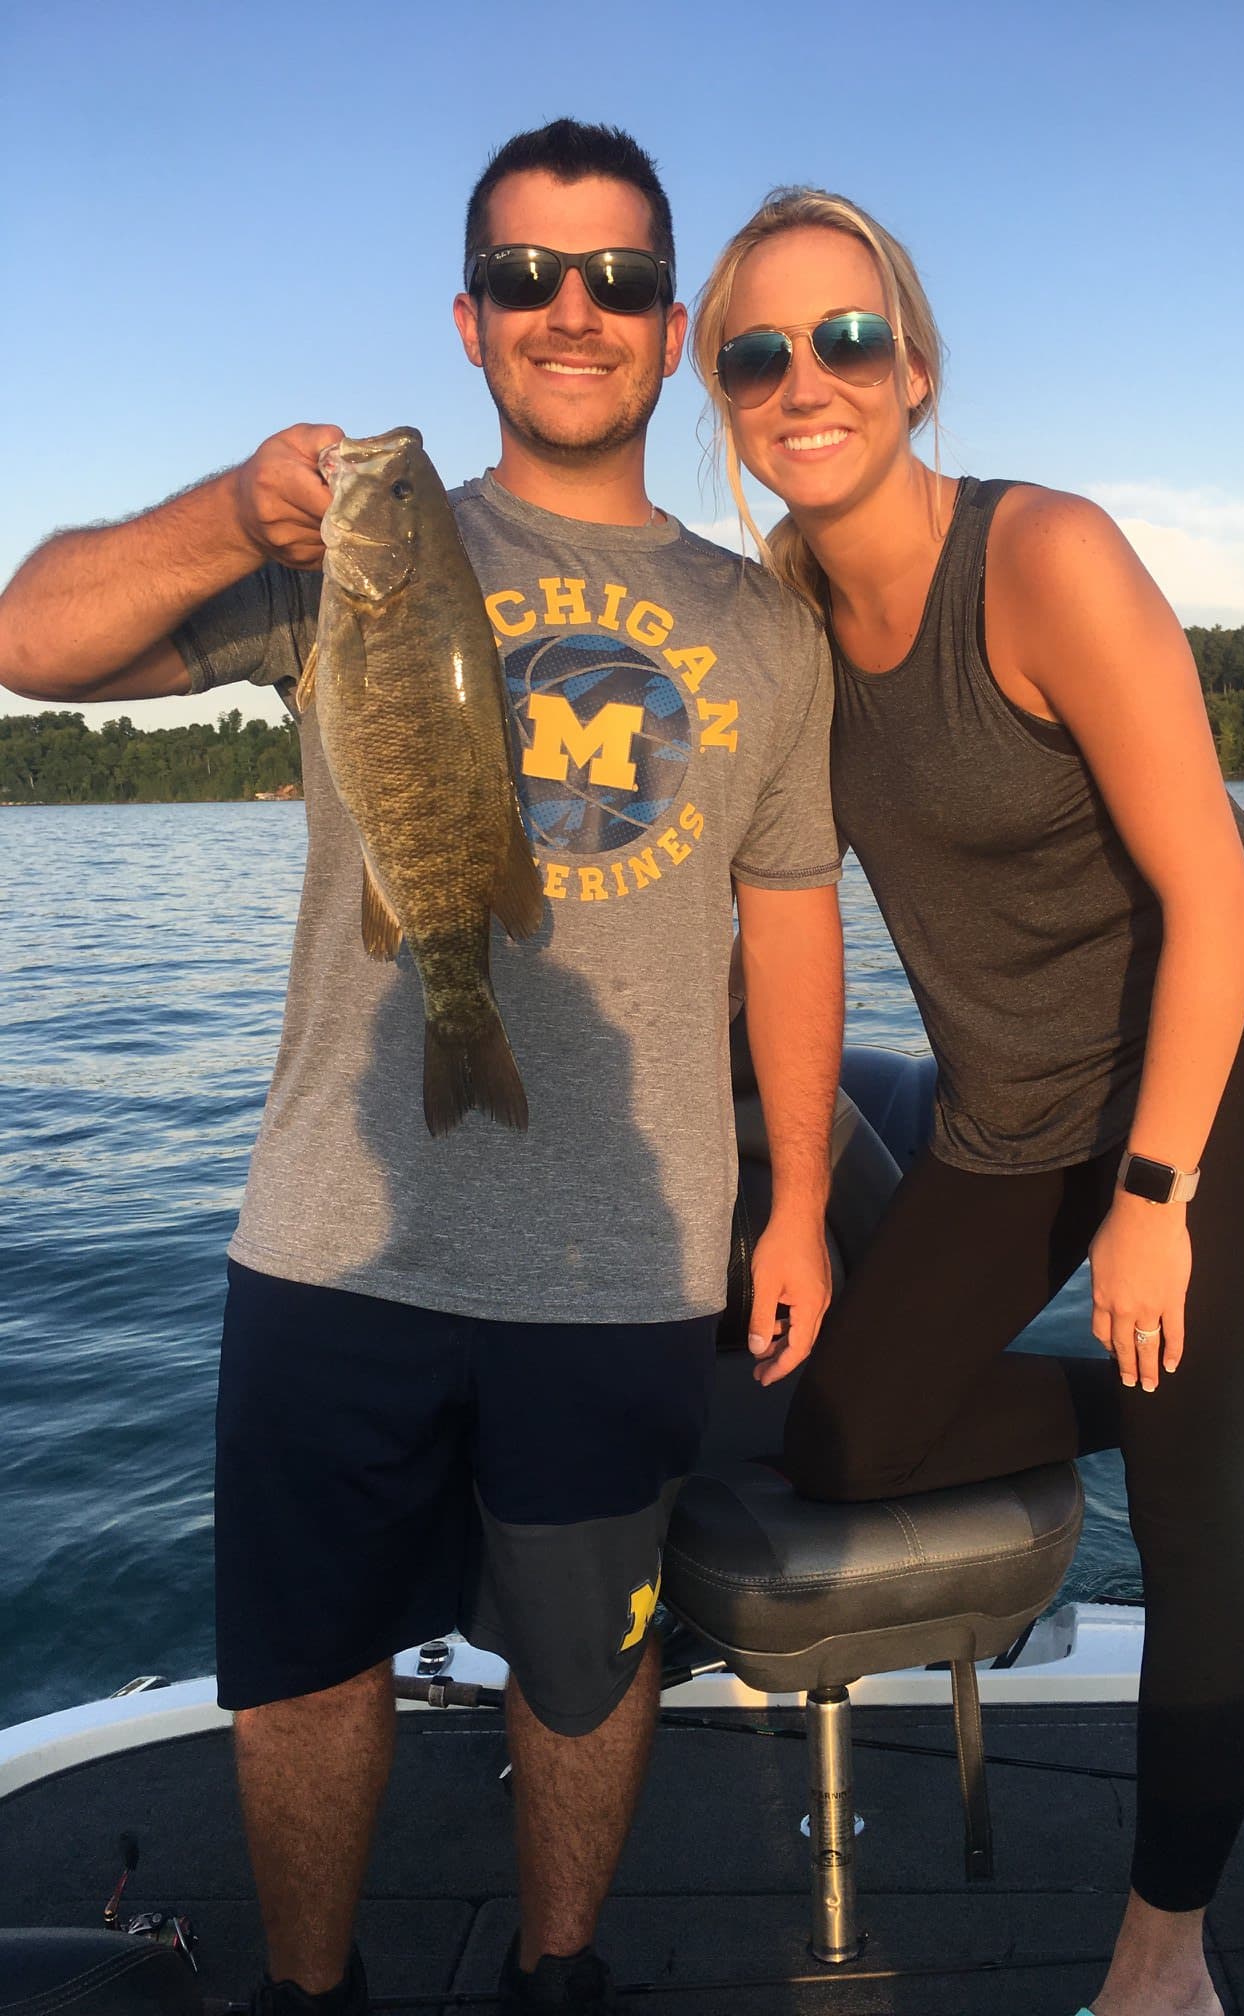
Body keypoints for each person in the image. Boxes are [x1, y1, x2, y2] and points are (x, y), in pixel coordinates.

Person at [0, 125, 844, 2016]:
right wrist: (236, 511)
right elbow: (27, 639)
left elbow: (792, 919)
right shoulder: (344, 562)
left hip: (619, 1262)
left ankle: (558, 1978)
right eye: (529, 277)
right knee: (306, 1673)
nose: (575, 311)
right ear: (469, 321)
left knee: (585, 1669)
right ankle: (312, 1996)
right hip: (335, 1236)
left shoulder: (763, 623)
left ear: (672, 324)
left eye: (621, 280)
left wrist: (799, 1197)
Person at [693, 188, 1244, 2016]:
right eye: (757, 353)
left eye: (847, 339)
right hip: (1017, 1095)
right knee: (845, 1441)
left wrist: (1153, 1201)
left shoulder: (1044, 556)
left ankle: (1165, 1960)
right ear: (724, 393)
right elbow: (786, 919)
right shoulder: (783, 628)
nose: (806, 381)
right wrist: (791, 1201)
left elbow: (1216, 904)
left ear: (914, 366)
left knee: (1186, 1494)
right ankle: (1207, 1393)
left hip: (1230, 1038)